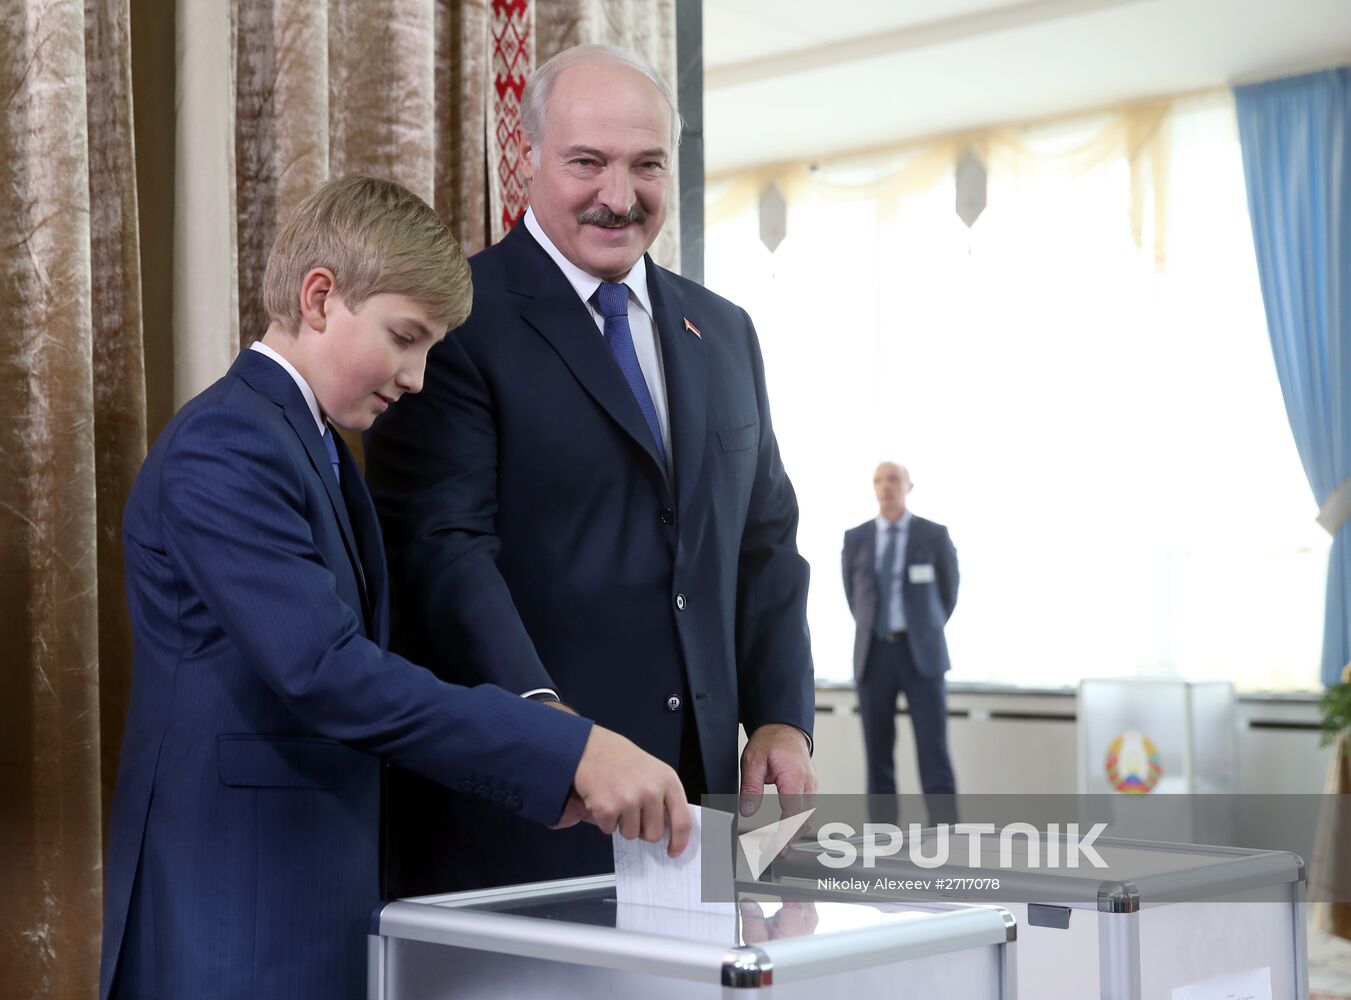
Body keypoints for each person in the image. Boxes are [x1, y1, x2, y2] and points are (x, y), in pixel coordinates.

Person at [99, 174, 691, 1000]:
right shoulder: (227, 446)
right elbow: (327, 672)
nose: (415, 377)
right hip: (238, 903)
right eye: (404, 337)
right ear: (318, 297)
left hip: (306, 891)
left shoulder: (313, 444)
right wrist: (563, 746)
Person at [364, 44, 816, 894]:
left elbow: (765, 541)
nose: (620, 195)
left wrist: (784, 718)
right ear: (525, 159)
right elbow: (441, 551)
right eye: (587, 163)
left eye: (646, 165)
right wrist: (549, 733)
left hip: (706, 816)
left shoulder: (726, 332)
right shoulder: (453, 322)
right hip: (525, 815)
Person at [842, 462, 959, 824]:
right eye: (878, 480)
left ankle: (946, 833)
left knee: (932, 748)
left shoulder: (933, 535)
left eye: (893, 479)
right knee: (877, 751)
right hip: (874, 655)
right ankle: (882, 837)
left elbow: (948, 593)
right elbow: (853, 594)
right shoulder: (856, 538)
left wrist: (924, 628)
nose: (885, 486)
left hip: (920, 654)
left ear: (909, 486)